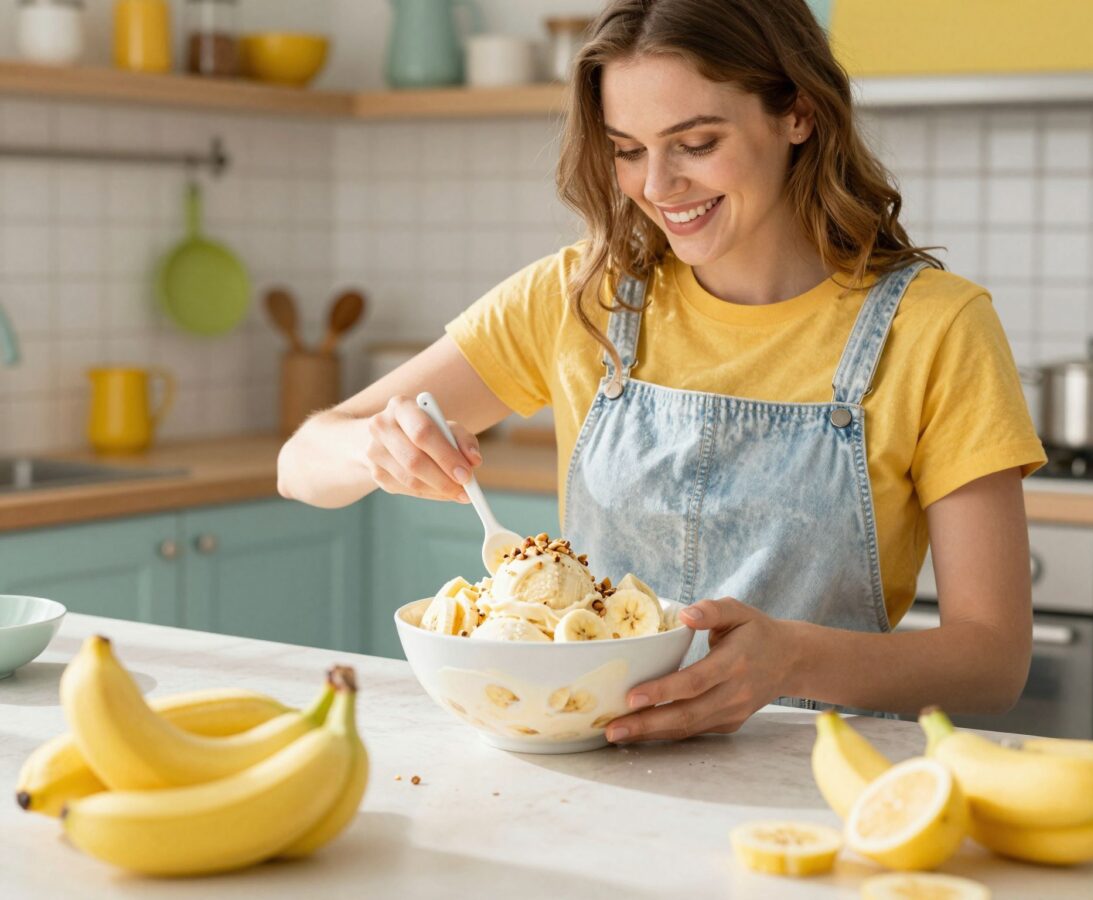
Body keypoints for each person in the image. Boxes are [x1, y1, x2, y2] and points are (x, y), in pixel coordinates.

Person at [278, 0, 1046, 745]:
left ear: (799, 115)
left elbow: (991, 663)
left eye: (697, 142)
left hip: (816, 781)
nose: (658, 185)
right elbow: (301, 464)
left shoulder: (936, 327)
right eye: (627, 149)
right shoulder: (580, 296)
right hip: (594, 772)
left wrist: (793, 660)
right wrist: (373, 448)